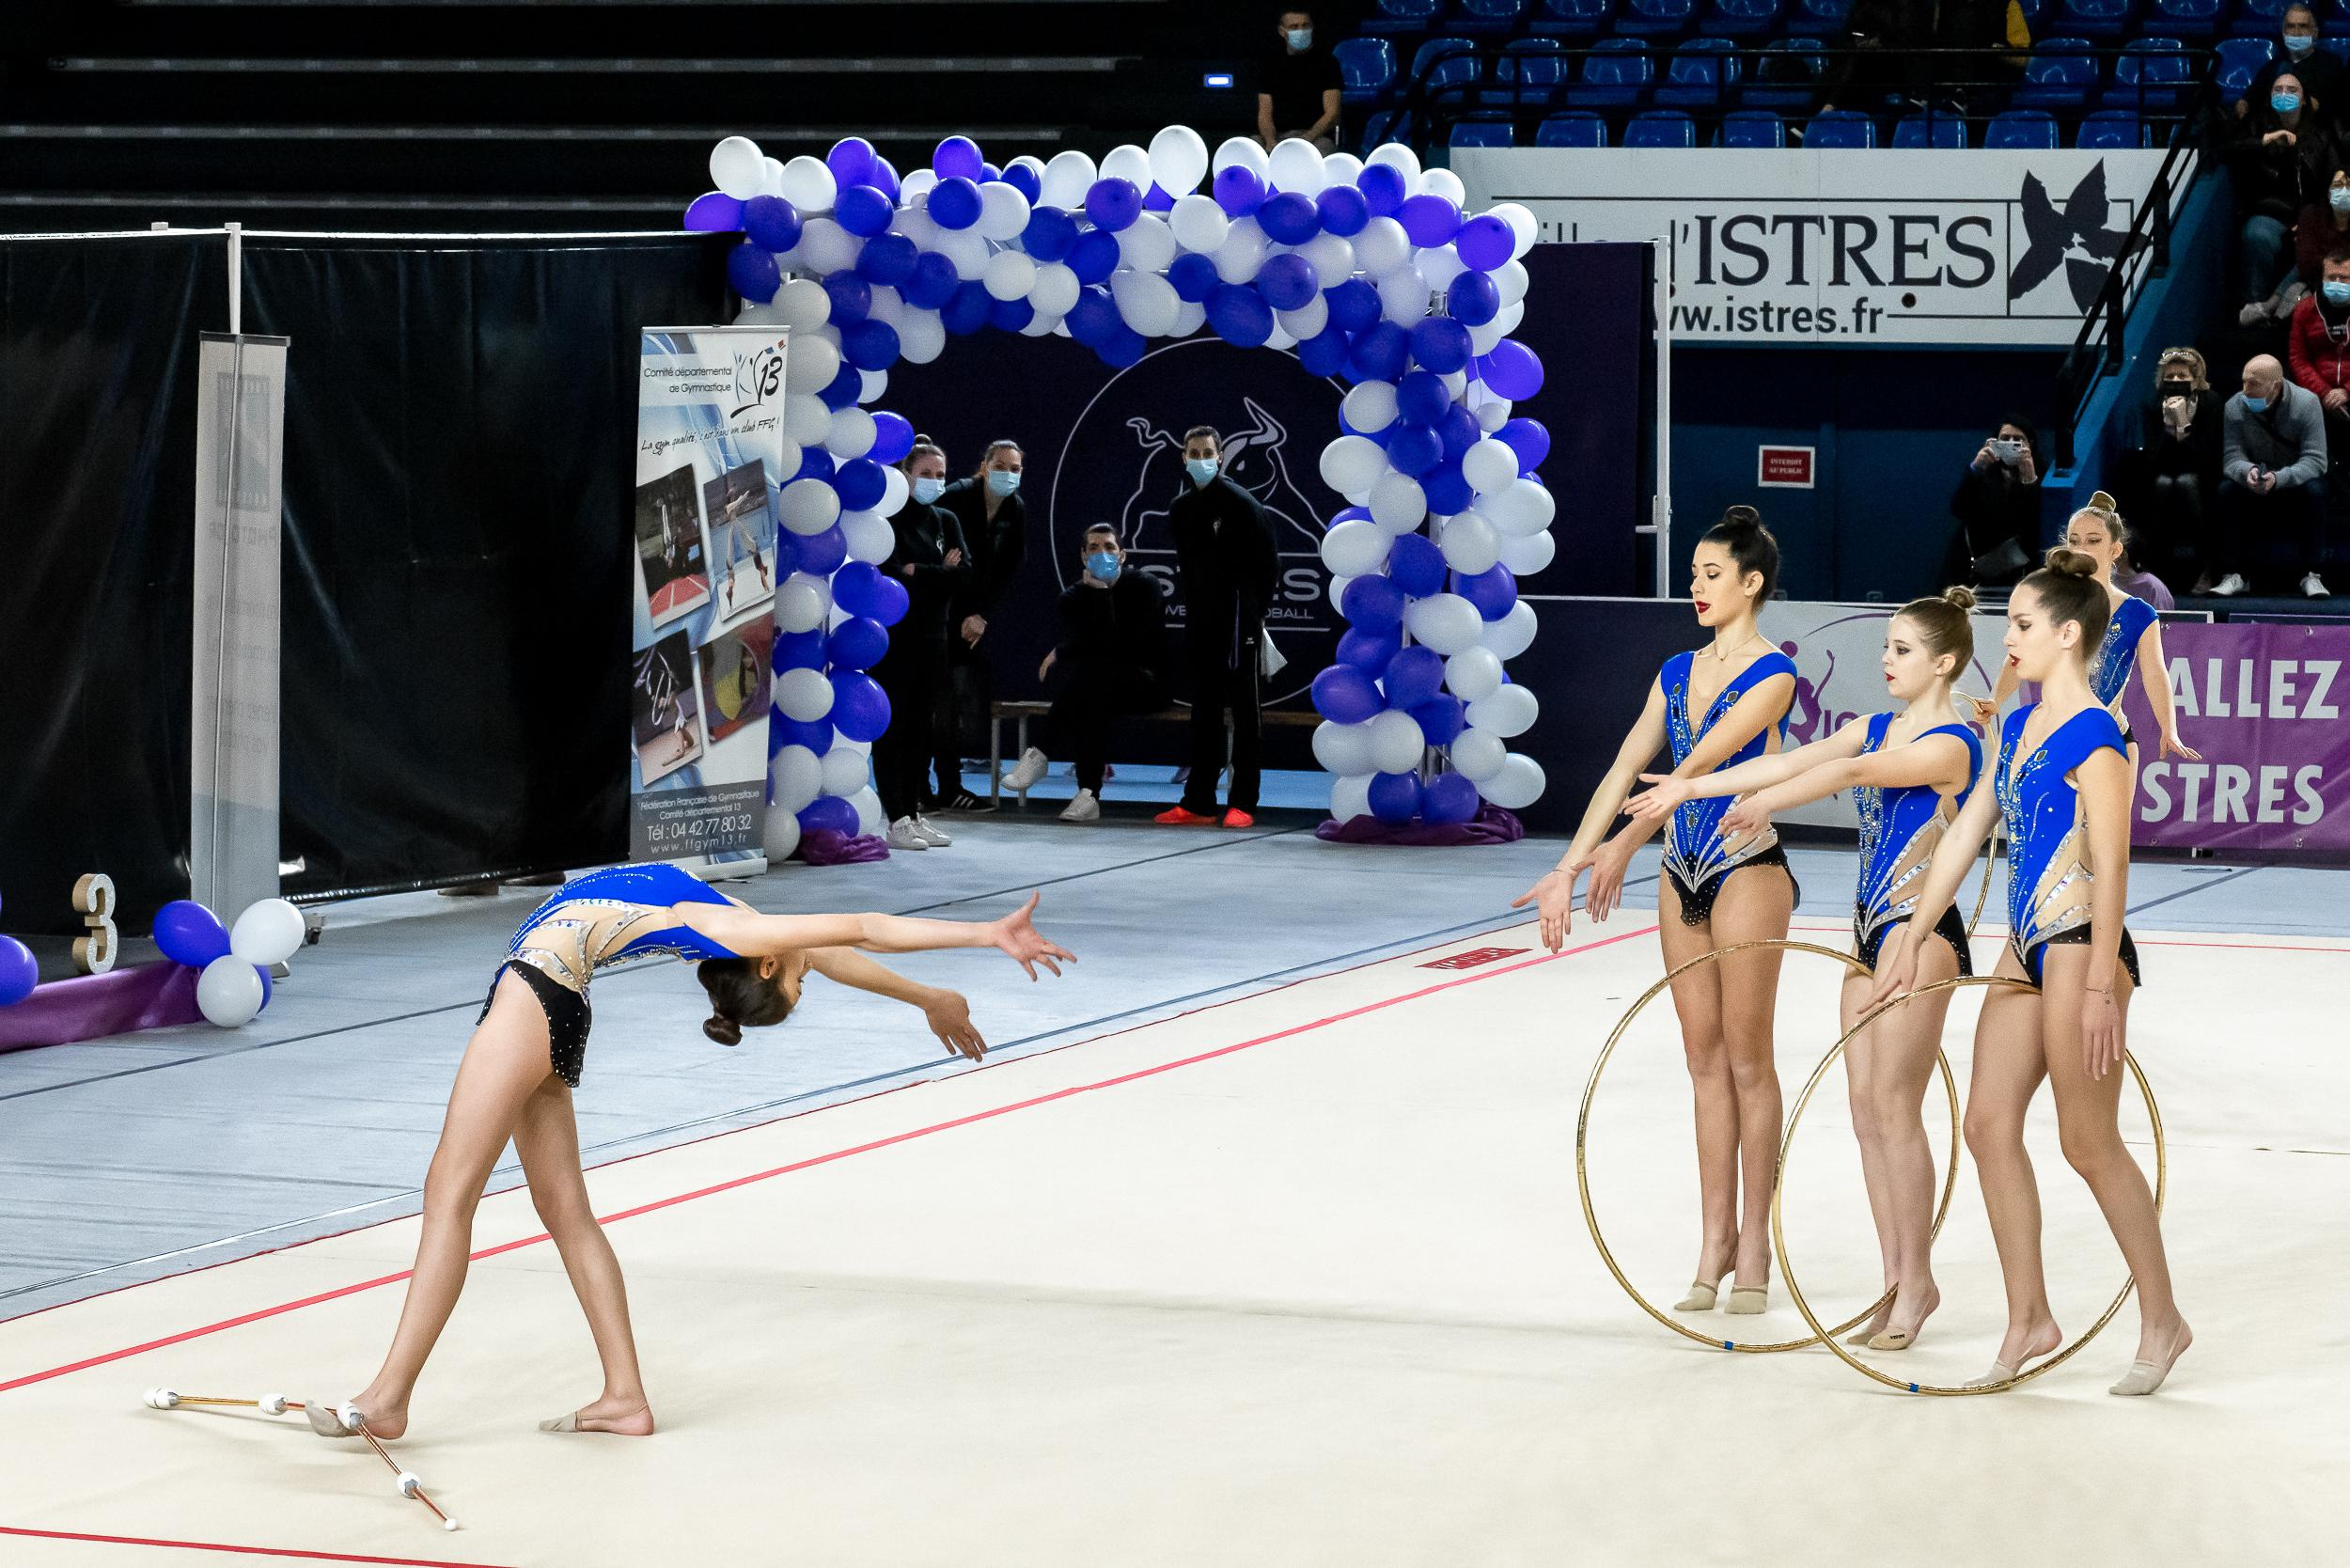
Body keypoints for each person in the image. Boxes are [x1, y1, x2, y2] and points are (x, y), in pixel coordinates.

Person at [304, 862, 1073, 1440]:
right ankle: (624, 1398)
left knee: (451, 1196)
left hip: (532, 998)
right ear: (771, 965)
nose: (811, 974)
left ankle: (389, 1398)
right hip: (552, 1004)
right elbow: (847, 939)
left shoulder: (737, 933)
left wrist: (981, 937)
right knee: (564, 1213)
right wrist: (929, 995)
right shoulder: (732, 922)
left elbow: (858, 929)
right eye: (803, 983)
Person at [1626, 588, 1983, 1351]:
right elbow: (1792, 757)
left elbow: (1849, 775)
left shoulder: (1953, 743)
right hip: (1864, 937)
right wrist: (1695, 784)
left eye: (1902, 650)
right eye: (1885, 647)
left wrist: (1766, 805)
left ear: (1944, 662)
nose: (1885, 661)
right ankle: (1894, 1280)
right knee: (1864, 1115)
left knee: (1895, 1108)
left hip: (1919, 936)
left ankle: (1917, 1281)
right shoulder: (1877, 725)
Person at [1872, 552, 2191, 1395]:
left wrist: (2096, 990)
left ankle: (2163, 1318)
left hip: (2085, 943)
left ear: (2068, 635)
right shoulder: (2013, 729)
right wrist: (1908, 934)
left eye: (2020, 626)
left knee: (2087, 1142)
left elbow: (2115, 869)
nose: (2005, 639)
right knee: (1985, 1124)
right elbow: (1970, 829)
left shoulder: (2100, 735)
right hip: (2025, 945)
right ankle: (2030, 1315)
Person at [1513, 510, 1799, 1314]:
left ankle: (1756, 1243)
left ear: (1751, 583)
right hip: (1684, 875)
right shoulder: (1674, 670)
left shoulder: (1773, 671)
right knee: (1702, 1060)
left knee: (1749, 1060)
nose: (1697, 586)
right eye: (1695, 574)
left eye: (1714, 574)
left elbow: (1696, 765)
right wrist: (1571, 862)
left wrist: (1628, 842)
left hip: (1746, 867)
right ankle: (1712, 1241)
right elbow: (1627, 764)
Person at [1963, 496, 2199, 770]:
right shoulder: (2050, 603)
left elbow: (2155, 674)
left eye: (2093, 540)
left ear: (2115, 549)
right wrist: (1995, 699)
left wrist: (2169, 729)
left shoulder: (2139, 614)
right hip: (2051, 734)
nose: (2081, 548)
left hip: (2110, 739)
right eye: (2074, 540)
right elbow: (2019, 657)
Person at [998, 525, 1172, 823]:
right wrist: (1096, 601)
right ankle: (1088, 795)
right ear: (1083, 556)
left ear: (1122, 555)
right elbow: (1098, 646)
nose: (1101, 553)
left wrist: (1067, 648)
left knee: (1092, 678)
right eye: (1093, 547)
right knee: (1093, 696)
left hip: (1147, 685)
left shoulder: (1146, 586)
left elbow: (1126, 646)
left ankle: (1041, 754)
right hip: (1100, 689)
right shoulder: (1073, 597)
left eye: (1109, 547)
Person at [1159, 426, 1278, 829]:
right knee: (1204, 714)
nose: (1200, 459)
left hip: (1240, 623)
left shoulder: (1242, 504)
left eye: (1207, 452)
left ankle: (1243, 802)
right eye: (1193, 452)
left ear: (1220, 456)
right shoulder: (1180, 509)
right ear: (1184, 457)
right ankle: (1199, 802)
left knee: (1245, 715)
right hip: (1201, 624)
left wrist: (1251, 614)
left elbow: (1268, 565)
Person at [871, 438, 971, 850]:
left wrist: (922, 572)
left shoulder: (946, 520)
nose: (934, 481)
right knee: (893, 730)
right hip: (896, 641)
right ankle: (894, 817)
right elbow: (893, 574)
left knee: (920, 729)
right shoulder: (890, 521)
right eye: (925, 474)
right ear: (907, 476)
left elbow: (964, 573)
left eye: (940, 475)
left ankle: (913, 812)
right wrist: (937, 572)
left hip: (936, 637)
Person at [932, 440, 1029, 813]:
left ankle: (951, 787)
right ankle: (923, 786)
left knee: (957, 705)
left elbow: (1007, 572)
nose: (1008, 473)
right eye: (1000, 465)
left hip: (973, 623)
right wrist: (961, 613)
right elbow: (946, 560)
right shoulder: (956, 498)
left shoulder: (1015, 510)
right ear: (984, 466)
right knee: (933, 704)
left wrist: (980, 616)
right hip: (940, 614)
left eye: (1015, 468)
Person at [2226, 69, 2335, 326]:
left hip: (2312, 213)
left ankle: (2272, 306)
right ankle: (2254, 308)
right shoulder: (2256, 125)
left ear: (2305, 99)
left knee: (2318, 245)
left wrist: (2309, 220)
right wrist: (2264, 140)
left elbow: (2332, 179)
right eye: (2278, 90)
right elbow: (2227, 150)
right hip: (2272, 212)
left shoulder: (2321, 133)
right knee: (2256, 235)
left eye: (2292, 90)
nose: (2284, 94)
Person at [2218, 353, 2330, 596]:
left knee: (2316, 490)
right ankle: (2235, 574)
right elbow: (2231, 457)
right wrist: (2247, 471)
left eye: (2254, 384)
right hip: (2255, 482)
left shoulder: (2307, 403)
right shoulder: (2234, 406)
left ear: (2276, 385)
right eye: (2244, 382)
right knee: (2226, 490)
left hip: (2292, 483)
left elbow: (2316, 460)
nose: (2245, 390)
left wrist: (2280, 479)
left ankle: (2310, 574)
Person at [2117, 349, 2223, 590]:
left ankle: (2208, 567)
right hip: (2161, 472)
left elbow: (2207, 457)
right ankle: (2151, 566)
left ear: (2195, 378)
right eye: (2170, 376)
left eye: (2182, 376)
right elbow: (2153, 459)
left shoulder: (2212, 403)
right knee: (2163, 483)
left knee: (2186, 483)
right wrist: (2168, 427)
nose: (2175, 381)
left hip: (2205, 475)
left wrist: (2184, 425)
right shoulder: (2153, 404)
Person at [1948, 416, 2045, 586]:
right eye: (2005, 439)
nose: (2011, 443)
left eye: (2018, 440)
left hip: (2020, 571)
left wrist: (2030, 483)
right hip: (1976, 568)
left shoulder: (2042, 475)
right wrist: (1975, 470)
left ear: (2030, 444)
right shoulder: (1982, 475)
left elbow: (2036, 524)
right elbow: (1958, 509)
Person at [2241, 3, 2344, 127]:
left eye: (2303, 26)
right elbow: (2250, 98)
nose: (2296, 32)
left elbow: (2320, 107)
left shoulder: (2331, 64)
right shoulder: (2273, 66)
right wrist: (2244, 104)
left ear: (2315, 32)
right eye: (2290, 26)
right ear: (2284, 32)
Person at [1257, 8, 1341, 153]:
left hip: (1315, 137)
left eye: (1305, 26)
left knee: (1320, 150)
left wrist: (1307, 138)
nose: (1301, 30)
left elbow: (1332, 113)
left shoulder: (1328, 63)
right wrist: (1270, 141)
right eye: (1294, 27)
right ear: (1282, 31)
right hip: (1278, 135)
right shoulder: (1270, 65)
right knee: (1252, 145)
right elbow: (1264, 113)